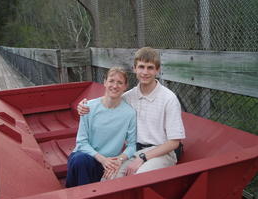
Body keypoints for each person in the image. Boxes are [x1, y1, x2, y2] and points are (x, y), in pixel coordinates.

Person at [78, 47, 185, 177]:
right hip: (135, 151)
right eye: (141, 67)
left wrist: (143, 157)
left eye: (150, 67)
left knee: (138, 176)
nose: (145, 72)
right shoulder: (128, 97)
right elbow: (108, 100)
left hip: (161, 152)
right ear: (134, 68)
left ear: (157, 70)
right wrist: (85, 105)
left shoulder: (169, 98)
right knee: (109, 177)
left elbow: (174, 143)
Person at [65, 67, 137, 188]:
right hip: (88, 157)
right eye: (111, 81)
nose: (115, 86)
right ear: (104, 82)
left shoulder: (129, 113)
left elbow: (132, 145)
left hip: (110, 162)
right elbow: (81, 142)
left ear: (125, 87)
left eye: (120, 82)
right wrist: (102, 159)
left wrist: (119, 160)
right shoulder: (88, 107)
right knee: (79, 161)